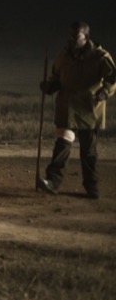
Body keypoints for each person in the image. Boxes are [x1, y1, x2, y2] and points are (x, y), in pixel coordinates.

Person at [38, 21, 115, 199]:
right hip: (68, 108)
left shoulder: (100, 56)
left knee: (88, 151)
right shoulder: (63, 56)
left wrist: (105, 92)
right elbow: (57, 77)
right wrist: (49, 86)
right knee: (62, 145)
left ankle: (92, 187)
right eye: (70, 36)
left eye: (76, 36)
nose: (71, 40)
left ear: (85, 37)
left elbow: (112, 78)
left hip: (89, 109)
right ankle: (53, 182)